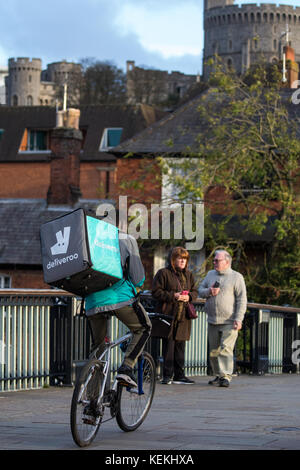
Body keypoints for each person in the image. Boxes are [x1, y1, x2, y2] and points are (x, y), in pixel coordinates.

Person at [85, 216, 152, 389]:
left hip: (92, 300)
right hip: (119, 298)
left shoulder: (87, 240)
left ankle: (91, 406)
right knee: (144, 327)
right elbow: (137, 278)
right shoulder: (125, 240)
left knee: (98, 349)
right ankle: (126, 367)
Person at [198, 250, 247, 387]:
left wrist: (239, 319)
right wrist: (209, 291)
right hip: (212, 320)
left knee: (225, 349)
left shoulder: (237, 277)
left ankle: (226, 376)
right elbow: (200, 290)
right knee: (213, 351)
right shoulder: (210, 275)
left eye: (217, 261)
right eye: (213, 260)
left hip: (230, 320)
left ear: (227, 262)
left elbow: (242, 300)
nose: (214, 262)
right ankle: (218, 375)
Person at [152, 246, 198, 385]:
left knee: (180, 346)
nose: (183, 261)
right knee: (168, 345)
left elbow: (195, 292)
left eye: (185, 259)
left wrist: (189, 297)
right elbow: (156, 292)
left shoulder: (189, 275)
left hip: (183, 315)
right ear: (173, 259)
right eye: (180, 258)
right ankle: (167, 375)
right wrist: (174, 296)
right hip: (168, 314)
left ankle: (180, 375)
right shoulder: (163, 273)